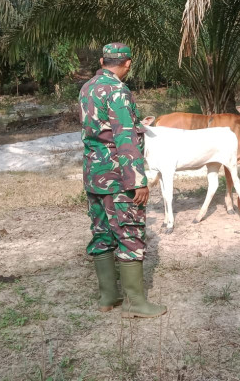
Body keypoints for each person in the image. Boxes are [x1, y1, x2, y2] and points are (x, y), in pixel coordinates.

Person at [78, 42, 166, 318]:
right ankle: (135, 303)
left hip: (94, 174)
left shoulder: (87, 87)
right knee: (129, 233)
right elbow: (125, 136)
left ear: (104, 60)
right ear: (127, 63)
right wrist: (137, 181)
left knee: (102, 233)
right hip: (118, 177)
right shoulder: (118, 90)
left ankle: (107, 296)